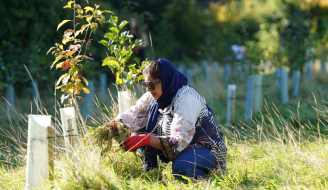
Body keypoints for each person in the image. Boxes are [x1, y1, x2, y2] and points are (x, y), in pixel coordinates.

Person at [106, 58, 227, 179]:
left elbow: (179, 140)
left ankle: (211, 178)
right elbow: (136, 113)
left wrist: (146, 139)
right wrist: (115, 124)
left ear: (165, 80)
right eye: (146, 85)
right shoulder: (156, 95)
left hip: (207, 149)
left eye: (151, 85)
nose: (148, 89)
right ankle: (150, 171)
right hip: (186, 149)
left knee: (181, 168)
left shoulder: (186, 99)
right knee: (137, 132)